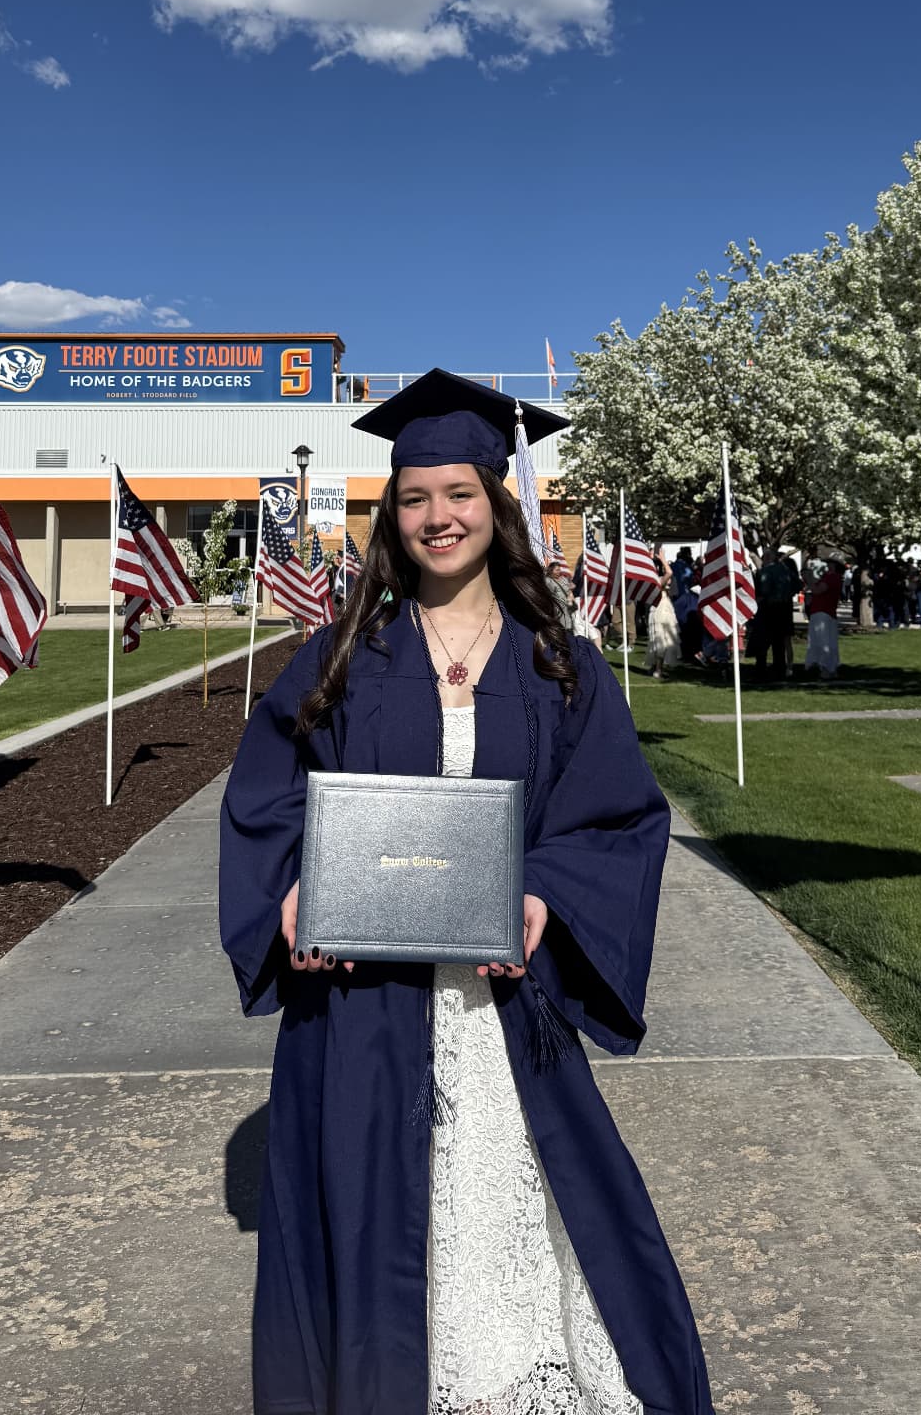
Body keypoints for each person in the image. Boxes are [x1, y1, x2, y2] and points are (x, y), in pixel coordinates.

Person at [218, 370, 714, 1415]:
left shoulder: (561, 668)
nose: (437, 518)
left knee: (518, 1197)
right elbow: (266, 799)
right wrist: (292, 894)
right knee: (367, 1204)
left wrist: (544, 896)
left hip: (502, 1005)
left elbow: (616, 817)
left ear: (496, 505)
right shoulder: (342, 659)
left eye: (459, 494)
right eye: (414, 498)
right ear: (391, 517)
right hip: (360, 1004)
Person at [752, 546, 799, 679]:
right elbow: (798, 585)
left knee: (763, 641)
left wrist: (759, 599)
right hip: (785, 608)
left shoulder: (766, 571)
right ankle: (780, 669)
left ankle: (761, 671)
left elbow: (764, 590)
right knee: (779, 642)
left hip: (770, 608)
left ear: (768, 558)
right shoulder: (786, 570)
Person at [804, 556, 845, 679]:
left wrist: (809, 579)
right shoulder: (835, 578)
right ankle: (832, 668)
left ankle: (825, 668)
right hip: (828, 612)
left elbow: (818, 590)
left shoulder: (831, 577)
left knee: (822, 642)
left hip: (822, 612)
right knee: (830, 642)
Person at [645, 552, 682, 678]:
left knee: (662, 639)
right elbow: (669, 573)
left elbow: (670, 580)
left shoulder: (658, 580)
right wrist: (663, 560)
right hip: (660, 610)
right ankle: (658, 669)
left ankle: (655, 666)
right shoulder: (656, 581)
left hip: (664, 608)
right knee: (660, 639)